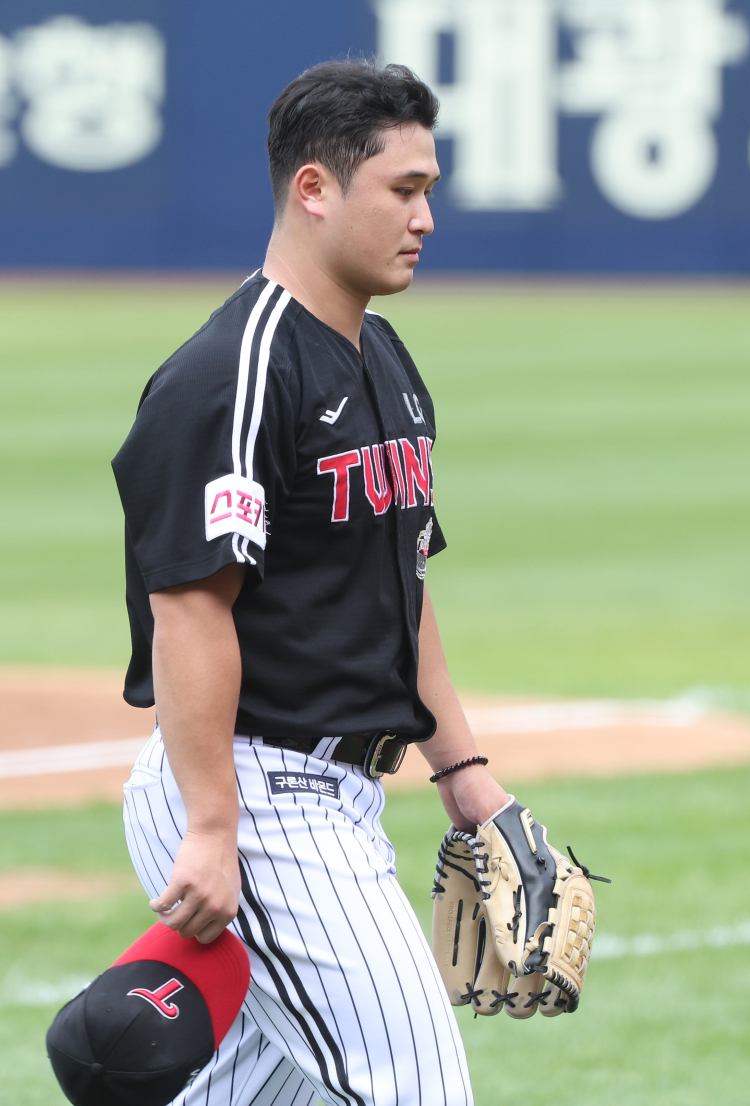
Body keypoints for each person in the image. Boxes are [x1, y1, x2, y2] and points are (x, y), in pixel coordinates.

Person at [112, 59, 511, 1106]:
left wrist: (463, 771)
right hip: (258, 797)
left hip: (334, 797)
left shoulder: (382, 358)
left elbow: (402, 581)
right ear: (314, 188)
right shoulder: (234, 373)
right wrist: (212, 827)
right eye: (403, 188)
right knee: (418, 1089)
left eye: (429, 188)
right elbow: (189, 605)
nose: (425, 217)